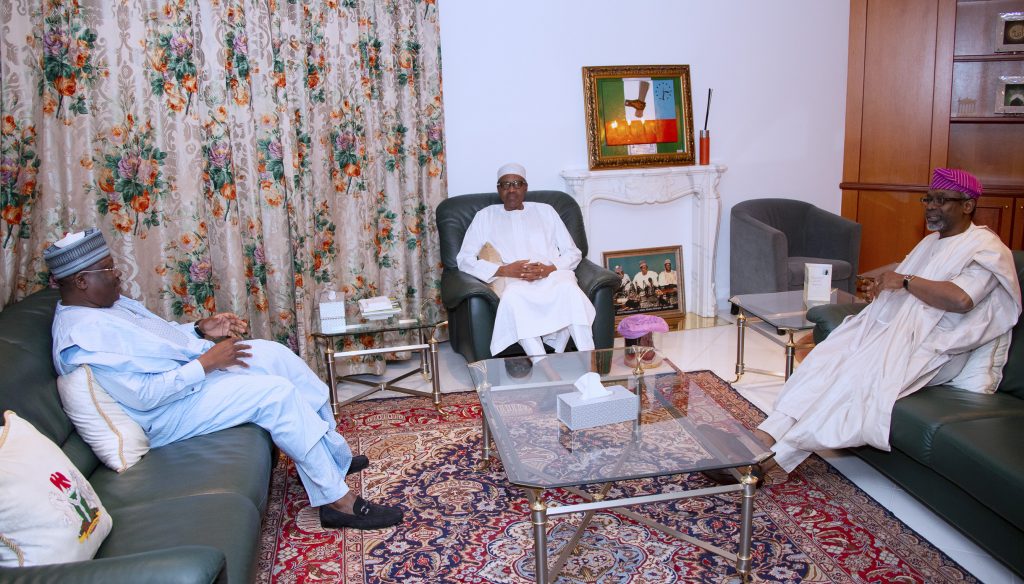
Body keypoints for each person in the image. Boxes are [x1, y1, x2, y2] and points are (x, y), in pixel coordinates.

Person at [45, 229, 403, 530]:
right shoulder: (82, 338)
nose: (118, 274)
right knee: (275, 394)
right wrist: (206, 363)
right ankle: (336, 503)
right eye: (108, 268)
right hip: (165, 414)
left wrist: (199, 328)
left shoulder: (105, 305)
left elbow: (157, 339)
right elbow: (144, 396)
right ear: (81, 281)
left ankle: (331, 457)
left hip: (187, 380)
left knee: (275, 355)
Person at [754, 168, 1021, 474]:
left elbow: (961, 300)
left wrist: (905, 281)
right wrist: (883, 287)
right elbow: (905, 287)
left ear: (968, 205)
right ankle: (768, 432)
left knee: (856, 374)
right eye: (928, 199)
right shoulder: (931, 242)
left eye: (942, 199)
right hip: (901, 334)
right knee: (828, 356)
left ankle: (777, 458)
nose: (931, 206)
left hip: (939, 349)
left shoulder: (986, 249)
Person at [456, 163, 596, 358]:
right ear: (498, 189)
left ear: (525, 187)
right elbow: (464, 259)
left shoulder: (546, 211)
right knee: (513, 299)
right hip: (515, 281)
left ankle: (590, 362)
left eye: (517, 184)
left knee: (571, 292)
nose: (511, 190)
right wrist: (505, 270)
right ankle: (543, 365)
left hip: (553, 277)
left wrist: (549, 269)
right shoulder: (485, 217)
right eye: (505, 185)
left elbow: (573, 252)